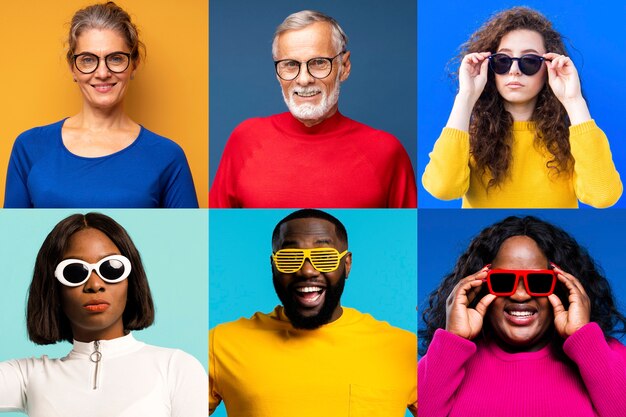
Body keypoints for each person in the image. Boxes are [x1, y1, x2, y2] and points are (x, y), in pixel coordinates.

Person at [209, 209, 417, 416]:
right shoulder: (221, 343)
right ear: (273, 266)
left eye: (324, 257)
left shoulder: (404, 349)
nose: (307, 271)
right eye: (290, 258)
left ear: (347, 265)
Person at [0, 212, 207, 416]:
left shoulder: (176, 368)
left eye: (111, 268)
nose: (95, 284)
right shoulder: (27, 377)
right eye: (74, 272)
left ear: (131, 280)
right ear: (52, 287)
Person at [418, 216, 626, 417]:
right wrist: (453, 340)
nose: (520, 294)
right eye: (502, 281)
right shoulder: (445, 362)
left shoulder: (607, 356)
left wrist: (584, 339)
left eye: (538, 282)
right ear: (480, 286)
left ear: (564, 288)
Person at [209, 10, 416, 208]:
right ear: (277, 73)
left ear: (344, 67)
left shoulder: (387, 152)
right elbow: (213, 238)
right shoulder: (245, 140)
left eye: (318, 62)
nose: (304, 79)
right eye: (290, 64)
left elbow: (410, 241)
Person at [421, 7, 622, 208]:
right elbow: (442, 188)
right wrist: (466, 96)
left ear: (549, 67)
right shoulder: (468, 140)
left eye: (530, 61)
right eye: (503, 61)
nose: (514, 71)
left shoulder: (573, 142)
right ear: (490, 68)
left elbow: (603, 196)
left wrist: (574, 100)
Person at [4, 2, 198, 208]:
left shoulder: (167, 156)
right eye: (88, 60)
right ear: (73, 68)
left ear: (134, 64)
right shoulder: (29, 147)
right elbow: (13, 238)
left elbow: (186, 240)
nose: (103, 73)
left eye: (115, 58)